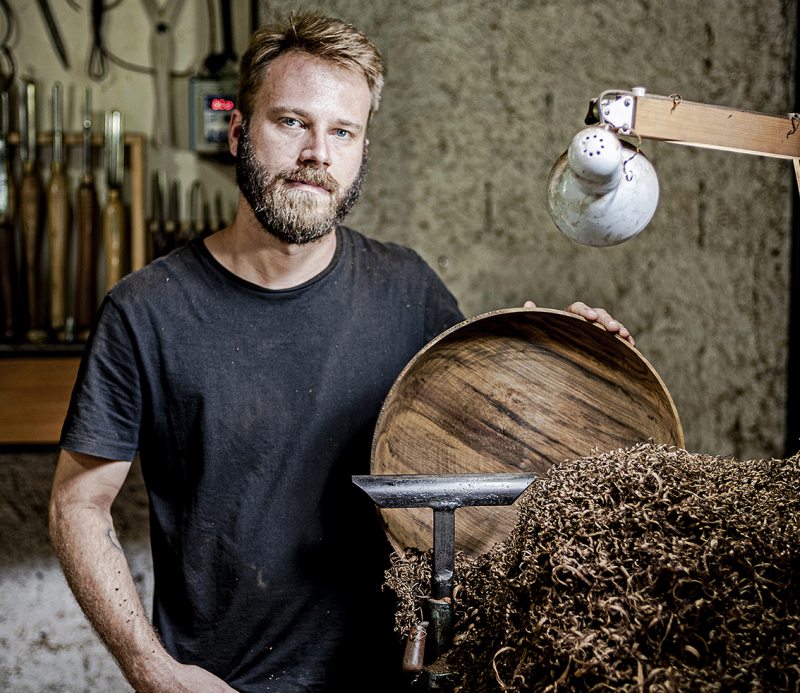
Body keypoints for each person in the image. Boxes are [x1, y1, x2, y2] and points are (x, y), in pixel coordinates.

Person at [48, 11, 633, 693]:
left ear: (361, 152)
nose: (317, 153)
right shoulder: (146, 312)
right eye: (291, 122)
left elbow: (488, 444)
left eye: (342, 131)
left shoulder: (409, 290)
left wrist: (566, 362)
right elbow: (77, 504)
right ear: (238, 132)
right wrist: (153, 670)